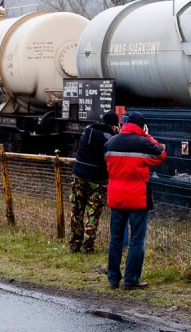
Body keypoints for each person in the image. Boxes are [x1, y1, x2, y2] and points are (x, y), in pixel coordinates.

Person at [104, 111, 166, 290]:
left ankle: (113, 279)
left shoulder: (110, 143)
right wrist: (147, 135)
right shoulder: (143, 142)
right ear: (141, 127)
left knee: (115, 239)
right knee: (137, 239)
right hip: (137, 199)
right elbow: (161, 155)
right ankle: (131, 280)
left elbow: (106, 162)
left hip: (116, 198)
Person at [69, 111, 120, 254]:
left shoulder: (88, 130)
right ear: (114, 125)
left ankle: (74, 245)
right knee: (93, 212)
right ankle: (88, 246)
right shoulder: (111, 138)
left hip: (78, 175)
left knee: (76, 210)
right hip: (97, 180)